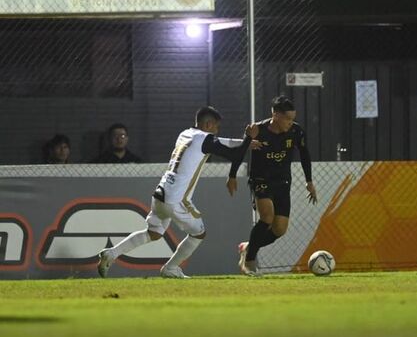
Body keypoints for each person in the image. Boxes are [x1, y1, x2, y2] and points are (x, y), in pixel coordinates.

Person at [97, 106, 258, 279]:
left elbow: (220, 142)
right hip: (177, 199)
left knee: (153, 233)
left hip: (161, 192)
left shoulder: (186, 134)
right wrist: (248, 138)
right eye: (216, 126)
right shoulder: (205, 139)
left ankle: (112, 253)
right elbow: (234, 155)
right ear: (208, 124)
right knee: (199, 233)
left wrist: (244, 143)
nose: (217, 130)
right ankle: (171, 268)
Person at [228, 95, 317, 276]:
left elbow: (305, 155)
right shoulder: (257, 130)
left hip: (283, 182)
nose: (291, 123)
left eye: (293, 119)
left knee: (279, 229)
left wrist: (309, 181)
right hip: (261, 180)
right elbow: (239, 152)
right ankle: (250, 261)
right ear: (275, 115)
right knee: (267, 217)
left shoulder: (296, 132)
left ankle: (248, 247)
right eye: (288, 119)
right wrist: (232, 175)